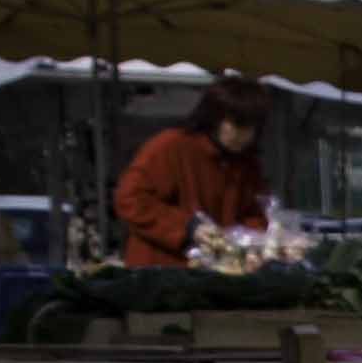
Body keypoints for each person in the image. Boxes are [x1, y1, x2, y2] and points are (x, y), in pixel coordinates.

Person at [112, 77, 270, 268]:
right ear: (215, 117)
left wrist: (250, 241)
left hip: (216, 273)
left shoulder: (247, 164)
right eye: (237, 125)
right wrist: (187, 228)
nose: (244, 135)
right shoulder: (171, 146)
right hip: (160, 272)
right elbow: (130, 198)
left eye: (251, 128)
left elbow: (254, 214)